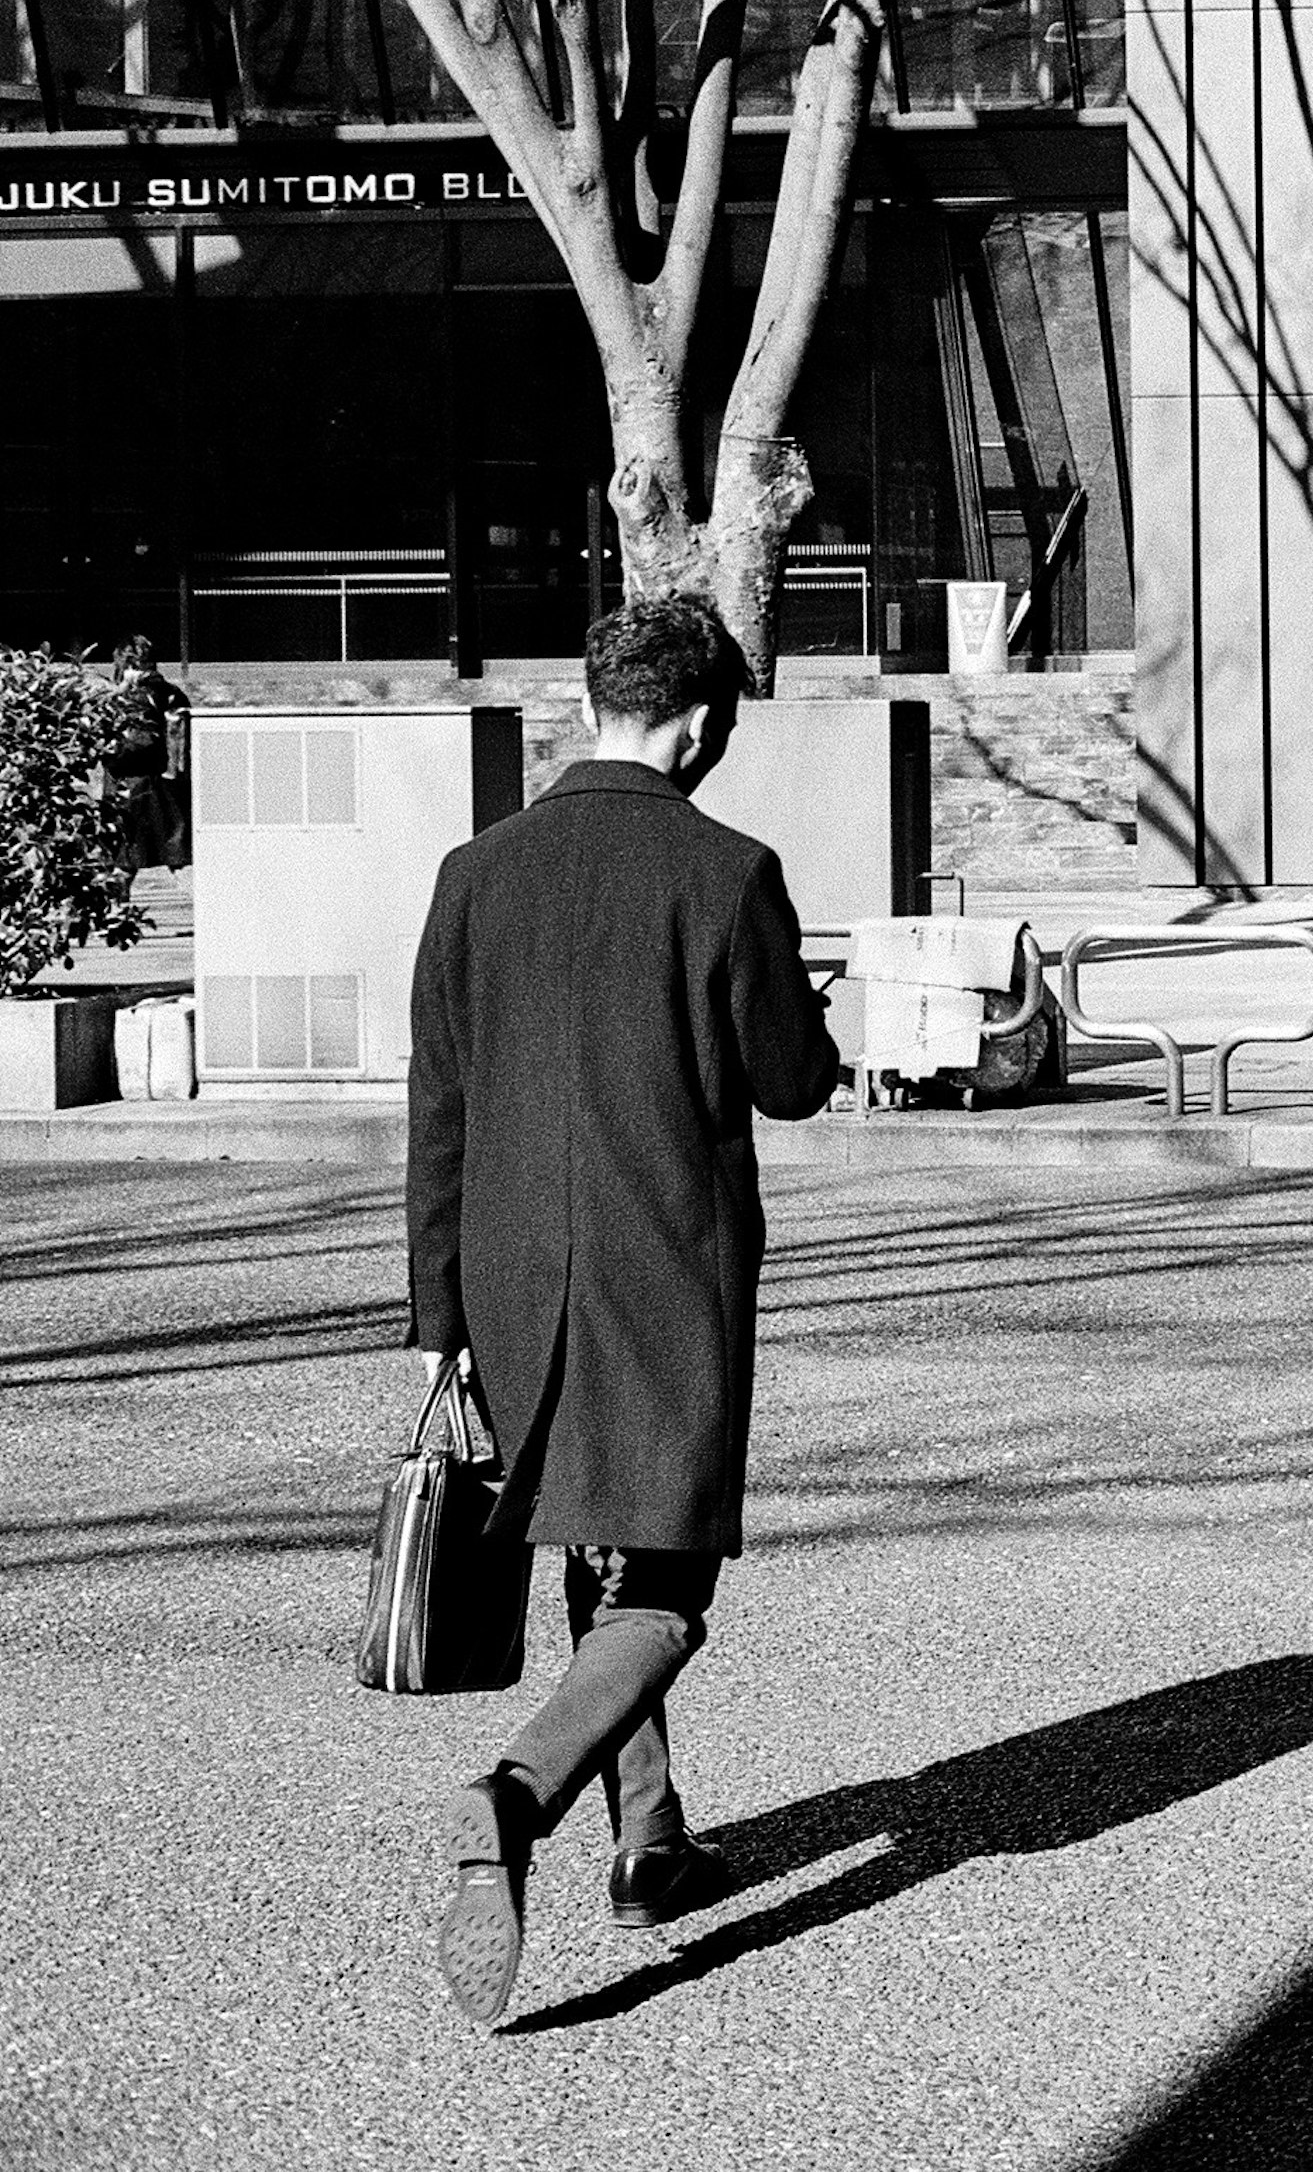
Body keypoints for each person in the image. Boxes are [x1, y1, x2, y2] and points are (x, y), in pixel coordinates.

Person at [408, 596, 841, 2027]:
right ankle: (517, 1794)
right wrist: (815, 1009)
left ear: (589, 700)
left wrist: (440, 1318)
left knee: (593, 1558)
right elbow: (789, 1079)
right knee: (662, 1586)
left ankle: (651, 1844)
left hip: (513, 1281)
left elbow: (440, 1112)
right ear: (706, 720)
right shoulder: (727, 870)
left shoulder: (476, 870)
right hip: (667, 1278)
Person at [100, 636, 189, 880]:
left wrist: (105, 752)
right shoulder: (171, 693)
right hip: (166, 784)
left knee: (124, 861)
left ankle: (115, 913)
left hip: (133, 786)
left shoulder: (135, 697)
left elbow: (138, 743)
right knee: (177, 857)